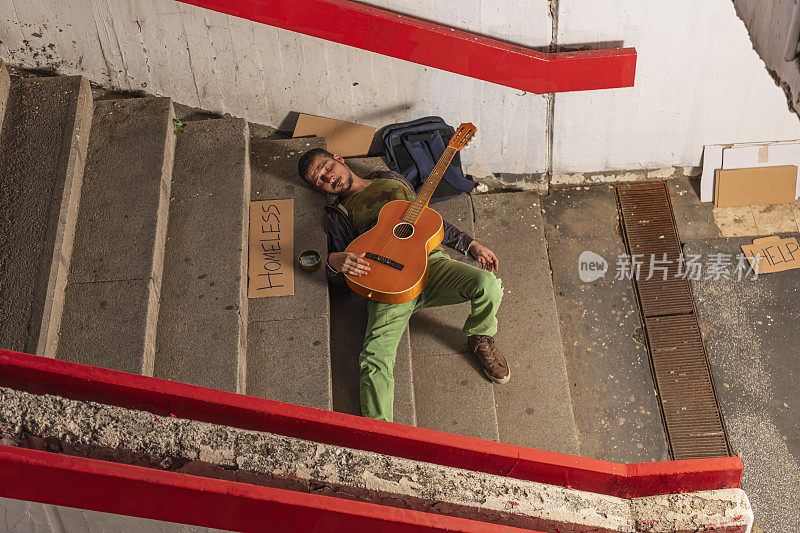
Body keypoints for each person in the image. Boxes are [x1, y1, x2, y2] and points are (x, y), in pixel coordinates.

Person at [298, 148, 509, 422]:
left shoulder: (389, 178)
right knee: (374, 359)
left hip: (431, 265)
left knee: (487, 283)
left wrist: (471, 244)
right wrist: (335, 261)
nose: (329, 178)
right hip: (388, 286)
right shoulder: (337, 214)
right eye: (320, 181)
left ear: (339, 158)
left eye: (326, 168)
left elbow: (428, 219)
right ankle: (381, 437)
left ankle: (479, 335)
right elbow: (341, 282)